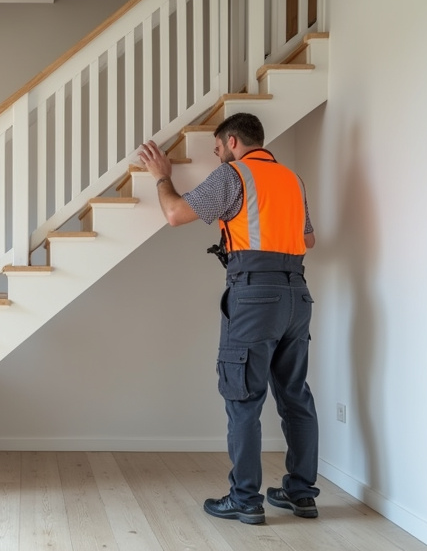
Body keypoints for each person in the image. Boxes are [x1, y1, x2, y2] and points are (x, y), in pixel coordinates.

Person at [137, 112, 320, 525]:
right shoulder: (292, 179)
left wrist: (162, 175)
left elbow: (174, 214)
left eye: (217, 148)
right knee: (295, 395)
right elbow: (308, 238)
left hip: (255, 294)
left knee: (243, 397)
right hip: (297, 294)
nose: (217, 155)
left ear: (233, 142)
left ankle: (245, 499)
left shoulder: (232, 175)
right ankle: (302, 494)